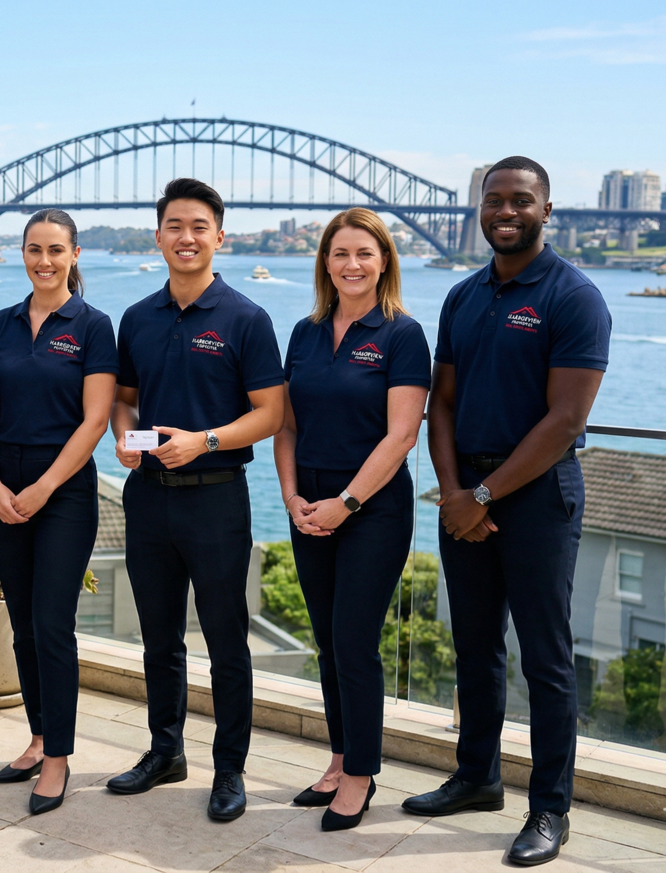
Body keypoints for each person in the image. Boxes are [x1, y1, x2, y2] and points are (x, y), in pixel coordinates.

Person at [402, 156, 610, 866]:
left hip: (538, 497)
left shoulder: (574, 297)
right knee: (475, 646)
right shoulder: (462, 297)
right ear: (479, 209)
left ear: (547, 209)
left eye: (521, 200)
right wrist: (455, 491)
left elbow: (564, 419)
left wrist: (482, 497)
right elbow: (444, 405)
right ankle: (476, 775)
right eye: (494, 200)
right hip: (467, 493)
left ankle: (550, 808)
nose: (506, 211)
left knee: (546, 658)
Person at [108, 178, 285, 823]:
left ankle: (230, 769)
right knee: (158, 636)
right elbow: (124, 397)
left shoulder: (247, 319)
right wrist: (121, 437)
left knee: (224, 639)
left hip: (216, 499)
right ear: (158, 237)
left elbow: (270, 413)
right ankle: (165, 751)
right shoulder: (137, 318)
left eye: (199, 227)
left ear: (219, 237)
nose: (186, 238)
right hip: (148, 495)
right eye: (174, 226)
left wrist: (207, 440)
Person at [273, 208, 430, 832]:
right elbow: (287, 425)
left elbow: (400, 438)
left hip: (371, 510)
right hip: (308, 506)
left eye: (364, 253)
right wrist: (290, 496)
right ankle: (339, 758)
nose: (352, 264)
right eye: (340, 254)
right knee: (326, 641)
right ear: (325, 263)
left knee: (355, 642)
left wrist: (347, 504)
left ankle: (362, 774)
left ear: (384, 260)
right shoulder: (306, 332)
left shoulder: (402, 334)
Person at [0, 209, 116, 815]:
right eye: (34, 249)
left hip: (64, 492)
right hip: (5, 483)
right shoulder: (2, 324)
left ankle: (57, 757)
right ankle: (35, 739)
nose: (44, 261)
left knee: (53, 624)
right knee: (25, 625)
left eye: (56, 250)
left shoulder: (92, 326)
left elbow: (96, 419)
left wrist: (42, 488)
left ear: (74, 255)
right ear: (22, 254)